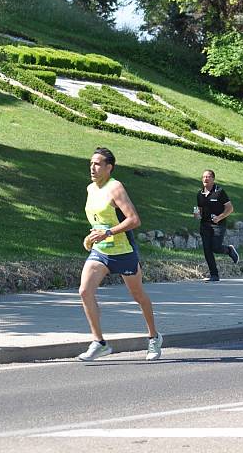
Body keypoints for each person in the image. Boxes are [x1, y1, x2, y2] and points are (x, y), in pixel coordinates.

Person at [78, 147, 163, 361]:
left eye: (98, 164)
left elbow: (134, 220)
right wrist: (92, 236)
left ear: (109, 167)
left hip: (124, 251)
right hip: (101, 252)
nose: (93, 167)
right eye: (91, 163)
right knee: (84, 291)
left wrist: (107, 232)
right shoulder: (90, 189)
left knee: (138, 296)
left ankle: (154, 337)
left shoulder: (115, 187)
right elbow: (99, 219)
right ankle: (99, 343)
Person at [195, 169, 239, 282]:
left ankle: (229, 250)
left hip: (218, 225)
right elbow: (199, 211)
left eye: (208, 176)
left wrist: (219, 217)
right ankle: (214, 275)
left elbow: (230, 208)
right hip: (205, 225)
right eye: (204, 177)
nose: (206, 179)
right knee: (207, 250)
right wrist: (197, 215)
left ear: (213, 179)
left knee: (216, 247)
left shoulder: (219, 191)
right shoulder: (200, 194)